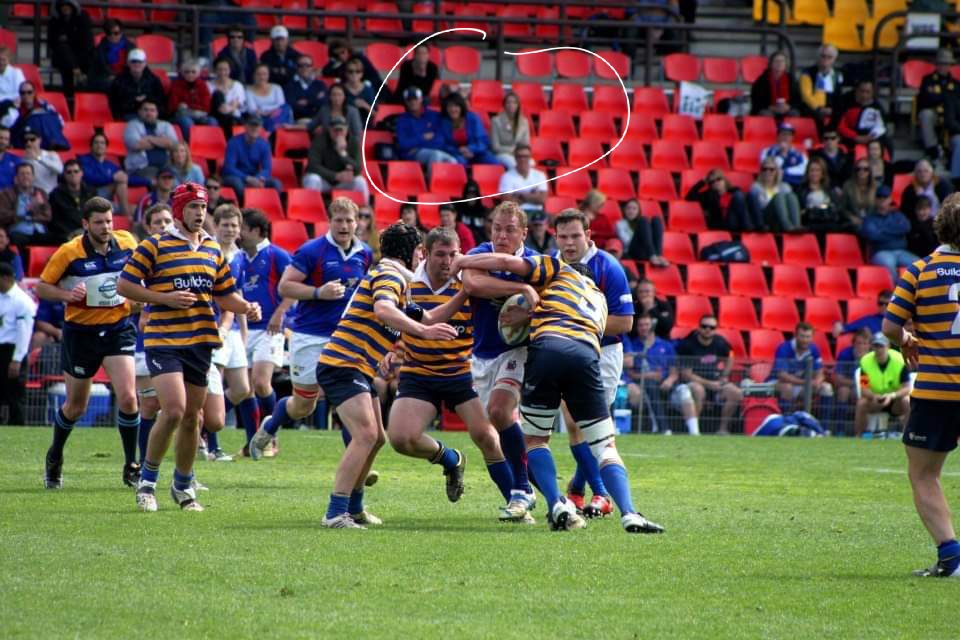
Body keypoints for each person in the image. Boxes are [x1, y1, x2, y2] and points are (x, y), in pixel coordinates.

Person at [452, 246, 665, 534]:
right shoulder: (600, 300)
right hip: (587, 356)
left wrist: (463, 260)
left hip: (548, 350)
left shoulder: (558, 270)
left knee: (536, 440)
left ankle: (557, 504)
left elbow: (506, 261)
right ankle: (629, 512)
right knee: (605, 446)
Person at [118, 182, 261, 512]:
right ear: (180, 210)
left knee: (194, 419)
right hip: (164, 340)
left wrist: (247, 307)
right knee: (175, 409)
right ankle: (147, 482)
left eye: (203, 207)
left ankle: (183, 486)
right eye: (193, 207)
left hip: (200, 341)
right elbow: (125, 285)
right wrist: (163, 298)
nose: (200, 213)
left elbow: (225, 294)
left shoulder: (212, 249)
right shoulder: (154, 246)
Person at [308, 222, 457, 528]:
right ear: (415, 252)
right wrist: (425, 333)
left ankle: (355, 507)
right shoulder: (389, 275)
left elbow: (429, 316)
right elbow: (384, 311)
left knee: (376, 439)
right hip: (343, 364)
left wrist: (466, 291)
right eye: (422, 252)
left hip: (358, 367)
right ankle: (335, 512)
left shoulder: (398, 279)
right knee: (364, 436)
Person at [381, 226, 520, 519]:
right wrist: (390, 349)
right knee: (400, 438)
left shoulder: (469, 283)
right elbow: (391, 320)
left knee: (488, 438)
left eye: (454, 254)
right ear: (425, 254)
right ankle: (450, 459)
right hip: (418, 373)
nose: (447, 261)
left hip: (460, 374)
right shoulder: (408, 284)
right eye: (441, 254)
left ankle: (516, 503)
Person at [250, 198, 373, 457]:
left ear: (357, 223)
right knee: (303, 405)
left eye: (349, 220)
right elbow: (285, 286)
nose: (344, 225)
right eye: (338, 220)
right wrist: (319, 292)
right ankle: (271, 424)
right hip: (309, 336)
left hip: (345, 338)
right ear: (329, 221)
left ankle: (358, 467)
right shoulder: (312, 251)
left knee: (347, 400)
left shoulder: (365, 253)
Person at [35, 196, 139, 489]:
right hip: (81, 334)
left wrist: (138, 297)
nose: (106, 227)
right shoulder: (69, 253)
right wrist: (67, 296)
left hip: (118, 328)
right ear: (85, 224)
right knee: (76, 406)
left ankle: (131, 465)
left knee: (129, 398)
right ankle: (55, 456)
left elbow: (142, 272)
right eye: (99, 222)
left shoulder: (127, 242)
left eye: (109, 221)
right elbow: (43, 287)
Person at [882, 193, 960, 577]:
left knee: (924, 474)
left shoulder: (920, 270)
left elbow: (890, 327)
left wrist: (907, 341)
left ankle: (951, 556)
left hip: (937, 391)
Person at [549, 209, 636, 516]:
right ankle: (594, 492)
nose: (569, 243)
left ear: (588, 236)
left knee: (592, 426)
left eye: (575, 236)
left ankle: (581, 489)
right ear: (555, 237)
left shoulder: (608, 267)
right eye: (563, 236)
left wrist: (580, 323)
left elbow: (624, 323)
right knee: (574, 423)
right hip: (566, 351)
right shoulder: (552, 264)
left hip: (604, 354)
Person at [459, 201, 539, 519]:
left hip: (517, 351)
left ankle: (521, 491)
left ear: (524, 233)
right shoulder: (481, 252)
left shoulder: (535, 262)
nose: (501, 235)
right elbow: (473, 283)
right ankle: (550, 494)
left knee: (499, 410)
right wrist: (520, 288)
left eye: (509, 229)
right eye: (496, 227)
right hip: (481, 356)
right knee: (485, 434)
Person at [236, 208, 292, 455]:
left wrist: (280, 313)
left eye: (242, 228)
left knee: (260, 382)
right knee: (245, 388)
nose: (238, 232)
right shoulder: (238, 257)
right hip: (243, 329)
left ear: (256, 231)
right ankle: (252, 443)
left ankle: (271, 437)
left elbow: (294, 286)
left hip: (270, 327)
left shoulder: (277, 255)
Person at [203, 204, 250, 462]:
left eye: (234, 225)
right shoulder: (208, 251)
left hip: (232, 328)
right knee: (215, 385)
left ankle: (201, 427)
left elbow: (238, 295)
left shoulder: (240, 256)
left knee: (242, 387)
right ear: (216, 226)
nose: (230, 229)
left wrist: (242, 331)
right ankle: (213, 446)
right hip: (213, 325)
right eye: (225, 225)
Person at [131, 203, 172, 465]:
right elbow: (126, 294)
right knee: (149, 405)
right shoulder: (141, 256)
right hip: (144, 343)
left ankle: (186, 471)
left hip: (177, 340)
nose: (164, 226)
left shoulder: (181, 254)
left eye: (168, 220)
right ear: (148, 227)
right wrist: (143, 306)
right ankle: (143, 465)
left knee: (187, 410)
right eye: (158, 222)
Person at [676, 314, 743, 434]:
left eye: (711, 327)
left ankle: (723, 429)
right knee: (698, 390)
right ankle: (694, 431)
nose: (708, 329)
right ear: (699, 328)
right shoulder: (688, 345)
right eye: (704, 326)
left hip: (715, 382)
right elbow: (686, 374)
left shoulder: (720, 342)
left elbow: (730, 356)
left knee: (735, 393)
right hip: (694, 382)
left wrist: (724, 375)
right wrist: (710, 384)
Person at [624, 312, 688, 434]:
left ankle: (694, 431)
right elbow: (631, 373)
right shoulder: (633, 345)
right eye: (641, 325)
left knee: (685, 391)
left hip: (667, 384)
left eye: (647, 324)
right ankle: (663, 428)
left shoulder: (666, 345)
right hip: (644, 384)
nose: (644, 328)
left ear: (652, 326)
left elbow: (674, 371)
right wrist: (649, 376)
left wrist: (669, 380)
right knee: (650, 386)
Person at [853, 331, 910, 437]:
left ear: (888, 346)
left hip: (895, 401)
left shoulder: (900, 360)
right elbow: (864, 388)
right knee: (861, 403)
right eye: (875, 346)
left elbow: (907, 388)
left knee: (907, 400)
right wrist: (874, 396)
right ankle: (859, 435)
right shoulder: (865, 362)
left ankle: (907, 435)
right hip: (875, 400)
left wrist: (891, 396)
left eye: (881, 346)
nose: (878, 349)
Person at [303, 115, 369, 202]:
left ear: (346, 130)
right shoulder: (319, 140)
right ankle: (310, 209)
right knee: (313, 179)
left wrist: (342, 154)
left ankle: (364, 210)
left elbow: (358, 168)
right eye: (335, 130)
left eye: (341, 130)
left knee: (360, 181)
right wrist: (335, 176)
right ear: (329, 130)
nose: (338, 133)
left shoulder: (353, 142)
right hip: (324, 180)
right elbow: (313, 166)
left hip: (342, 182)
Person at [770, 322, 830, 412]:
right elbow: (782, 375)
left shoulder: (814, 349)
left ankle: (824, 424)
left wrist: (818, 381)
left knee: (826, 388)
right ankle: (787, 421)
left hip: (801, 384)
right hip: (777, 382)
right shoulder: (784, 348)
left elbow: (820, 371)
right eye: (802, 336)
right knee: (787, 388)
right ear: (796, 336)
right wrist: (806, 382)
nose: (805, 340)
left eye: (808, 337)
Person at [0, 261, 34, 423]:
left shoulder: (22, 301)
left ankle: (18, 426)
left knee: (15, 395)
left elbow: (24, 332)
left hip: (11, 350)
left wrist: (17, 359)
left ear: (6, 278)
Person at [861, 185, 918, 280]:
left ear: (890, 199)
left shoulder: (897, 215)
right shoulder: (869, 218)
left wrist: (882, 230)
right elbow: (873, 235)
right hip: (880, 253)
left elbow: (906, 228)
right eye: (879, 197)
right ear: (875, 200)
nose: (882, 200)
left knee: (919, 264)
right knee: (889, 264)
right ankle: (896, 293)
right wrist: (896, 233)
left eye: (885, 197)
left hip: (900, 252)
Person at [222, 115, 280, 201]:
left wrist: (258, 178)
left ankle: (270, 207)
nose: (254, 128)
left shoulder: (264, 144)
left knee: (276, 184)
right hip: (237, 176)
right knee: (237, 184)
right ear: (246, 126)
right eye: (252, 125)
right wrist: (247, 178)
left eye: (257, 126)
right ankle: (244, 208)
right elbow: (229, 168)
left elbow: (267, 168)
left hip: (254, 176)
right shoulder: (233, 142)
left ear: (260, 128)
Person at [396, 86, 458, 168]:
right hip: (412, 154)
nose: (412, 102)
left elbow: (440, 138)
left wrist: (418, 143)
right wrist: (423, 138)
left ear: (421, 99)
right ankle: (432, 180)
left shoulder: (433, 115)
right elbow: (403, 143)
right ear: (406, 102)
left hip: (432, 149)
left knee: (453, 161)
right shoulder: (402, 120)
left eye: (415, 99)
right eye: (409, 100)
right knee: (436, 155)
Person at [123, 100, 178, 187]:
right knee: (158, 184)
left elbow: (173, 145)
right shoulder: (132, 125)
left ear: (157, 112)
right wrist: (162, 141)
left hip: (166, 166)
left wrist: (149, 138)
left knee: (177, 185)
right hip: (143, 168)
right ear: (139, 112)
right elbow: (136, 145)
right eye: (146, 110)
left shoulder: (166, 125)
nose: (149, 113)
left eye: (152, 110)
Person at [917, 49, 958, 163]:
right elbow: (925, 100)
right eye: (941, 63)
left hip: (951, 116)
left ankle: (949, 152)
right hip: (934, 114)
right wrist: (946, 98)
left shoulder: (956, 84)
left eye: (946, 64)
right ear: (936, 64)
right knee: (926, 114)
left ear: (950, 65)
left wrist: (941, 98)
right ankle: (933, 149)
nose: (943, 66)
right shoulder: (927, 80)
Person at [686, 168, 760, 231]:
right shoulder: (709, 195)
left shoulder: (734, 191)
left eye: (718, 179)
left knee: (748, 195)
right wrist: (702, 181)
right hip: (722, 224)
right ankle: (749, 227)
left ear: (724, 180)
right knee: (739, 195)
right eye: (712, 182)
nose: (716, 183)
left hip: (737, 221)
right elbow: (689, 197)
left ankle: (754, 226)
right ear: (710, 185)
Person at [0, 162, 52, 250]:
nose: (25, 177)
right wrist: (26, 210)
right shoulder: (6, 194)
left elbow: (47, 216)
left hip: (39, 232)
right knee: (16, 239)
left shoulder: (40, 193)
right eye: (22, 174)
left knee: (59, 239)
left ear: (33, 177)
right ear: (16, 178)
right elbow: (3, 215)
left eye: (28, 174)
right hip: (18, 232)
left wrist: (30, 217)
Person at [4, 81, 69, 151]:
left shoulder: (44, 105)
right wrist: (14, 108)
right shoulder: (15, 108)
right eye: (23, 93)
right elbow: (9, 125)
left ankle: (53, 143)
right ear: (19, 94)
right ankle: (53, 143)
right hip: (25, 134)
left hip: (41, 132)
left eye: (29, 92)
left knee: (46, 118)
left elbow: (60, 121)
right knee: (36, 119)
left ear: (34, 93)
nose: (26, 95)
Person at [47, 0, 94, 96]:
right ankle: (69, 99)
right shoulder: (55, 20)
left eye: (68, 5)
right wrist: (72, 38)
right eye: (62, 5)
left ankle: (83, 97)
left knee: (86, 61)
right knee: (64, 52)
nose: (65, 7)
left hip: (81, 54)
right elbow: (53, 42)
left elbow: (86, 40)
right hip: (62, 57)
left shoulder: (82, 17)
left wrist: (67, 38)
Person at [440, 92, 498, 166]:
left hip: (476, 151)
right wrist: (460, 151)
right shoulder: (444, 122)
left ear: (461, 107)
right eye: (450, 106)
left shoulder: (473, 118)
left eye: (456, 106)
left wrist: (470, 149)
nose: (453, 109)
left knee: (494, 163)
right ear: (446, 108)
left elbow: (483, 141)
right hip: (456, 153)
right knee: (461, 163)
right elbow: (443, 144)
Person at [108, 48, 166, 122]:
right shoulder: (119, 81)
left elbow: (160, 101)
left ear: (145, 63)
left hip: (151, 113)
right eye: (133, 61)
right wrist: (134, 101)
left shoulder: (153, 80)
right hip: (129, 114)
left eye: (140, 61)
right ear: (128, 63)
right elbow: (115, 104)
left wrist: (146, 99)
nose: (136, 64)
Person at [78, 132, 129, 214]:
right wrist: (112, 178)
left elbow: (126, 178)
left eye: (102, 143)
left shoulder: (110, 165)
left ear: (106, 147)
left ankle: (126, 213)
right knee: (120, 183)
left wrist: (148, 181)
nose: (99, 145)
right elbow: (89, 178)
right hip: (90, 197)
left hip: (105, 200)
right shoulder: (83, 160)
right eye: (96, 142)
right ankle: (127, 216)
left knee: (135, 208)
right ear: (91, 146)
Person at [167, 59, 215, 142]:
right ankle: (189, 147)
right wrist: (191, 108)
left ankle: (211, 145)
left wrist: (188, 106)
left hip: (200, 115)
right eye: (187, 72)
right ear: (182, 73)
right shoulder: (176, 85)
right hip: (180, 115)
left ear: (198, 73)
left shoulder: (202, 85)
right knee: (187, 122)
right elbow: (172, 106)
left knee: (212, 121)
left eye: (193, 72)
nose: (190, 74)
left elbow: (207, 107)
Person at [49, 159, 96, 243]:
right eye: (69, 172)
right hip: (66, 235)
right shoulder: (56, 194)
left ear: (81, 173)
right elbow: (56, 221)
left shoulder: (90, 192)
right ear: (64, 175)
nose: (73, 174)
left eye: (76, 171)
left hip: (87, 232)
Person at [748, 157, 801, 232]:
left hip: (781, 219)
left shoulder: (784, 186)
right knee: (778, 197)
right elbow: (759, 206)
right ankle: (788, 227)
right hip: (766, 218)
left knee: (791, 196)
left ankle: (796, 226)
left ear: (776, 171)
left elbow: (789, 204)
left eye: (771, 169)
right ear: (761, 172)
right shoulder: (756, 187)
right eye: (764, 169)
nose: (768, 172)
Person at [836, 80, 890, 152]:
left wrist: (870, 137)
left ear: (872, 93)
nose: (864, 95)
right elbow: (840, 126)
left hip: (870, 139)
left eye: (868, 92)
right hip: (850, 138)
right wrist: (855, 137)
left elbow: (881, 127)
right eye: (862, 91)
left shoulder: (877, 107)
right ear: (856, 91)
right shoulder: (845, 103)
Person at [799, 44, 843, 129]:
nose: (825, 59)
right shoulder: (807, 73)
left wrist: (832, 109)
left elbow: (838, 95)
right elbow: (806, 96)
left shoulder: (837, 75)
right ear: (818, 57)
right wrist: (819, 108)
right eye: (823, 56)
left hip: (830, 108)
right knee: (817, 115)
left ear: (834, 59)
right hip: (812, 108)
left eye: (829, 57)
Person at [87, 19, 135, 92]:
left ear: (121, 33)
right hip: (105, 79)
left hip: (124, 78)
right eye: (109, 33)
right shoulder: (99, 50)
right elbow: (96, 73)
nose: (112, 36)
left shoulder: (131, 48)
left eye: (116, 33)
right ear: (106, 34)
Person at [497, 144, 547, 213]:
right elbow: (507, 202)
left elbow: (542, 199)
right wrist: (533, 195)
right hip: (515, 213)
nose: (522, 159)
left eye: (525, 156)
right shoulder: (506, 176)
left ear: (530, 157)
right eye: (519, 156)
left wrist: (519, 195)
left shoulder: (540, 175)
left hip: (536, 214)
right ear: (515, 158)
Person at [617, 197, 668, 265]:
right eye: (628, 208)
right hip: (633, 252)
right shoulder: (620, 224)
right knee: (643, 220)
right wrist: (641, 233)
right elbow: (627, 242)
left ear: (638, 211)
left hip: (646, 251)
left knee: (656, 220)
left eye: (634, 209)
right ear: (624, 210)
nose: (631, 211)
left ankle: (658, 255)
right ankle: (652, 256)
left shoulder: (642, 225)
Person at [749, 50, 801, 117]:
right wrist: (770, 107)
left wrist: (788, 106)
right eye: (776, 61)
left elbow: (797, 99)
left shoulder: (790, 79)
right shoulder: (763, 79)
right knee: (766, 114)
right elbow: (756, 100)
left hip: (786, 109)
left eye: (782, 61)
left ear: (786, 64)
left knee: (794, 113)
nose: (779, 63)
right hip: (768, 109)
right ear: (771, 63)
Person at [796, 156, 841, 232]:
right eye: (812, 170)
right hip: (810, 223)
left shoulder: (830, 190)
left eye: (817, 170)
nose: (814, 173)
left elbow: (836, 208)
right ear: (807, 172)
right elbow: (800, 212)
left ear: (822, 173)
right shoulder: (801, 190)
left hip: (829, 222)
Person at [245, 63, 292, 133]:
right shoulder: (248, 91)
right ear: (254, 75)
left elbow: (281, 105)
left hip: (277, 115)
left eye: (264, 74)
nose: (262, 77)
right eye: (258, 74)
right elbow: (252, 109)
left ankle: (270, 131)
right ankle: (272, 130)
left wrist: (264, 109)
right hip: (261, 118)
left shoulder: (276, 87)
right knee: (260, 117)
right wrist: (270, 111)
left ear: (268, 75)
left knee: (286, 107)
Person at [490, 91, 530, 170]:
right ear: (504, 105)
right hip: (502, 154)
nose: (511, 105)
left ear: (518, 105)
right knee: (514, 164)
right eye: (508, 102)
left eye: (514, 103)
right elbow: (495, 146)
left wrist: (519, 152)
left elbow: (526, 144)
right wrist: (512, 150)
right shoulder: (496, 121)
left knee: (531, 163)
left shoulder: (524, 122)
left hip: (519, 154)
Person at [760, 123, 808, 188]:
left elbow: (804, 170)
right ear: (778, 136)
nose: (785, 137)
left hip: (795, 185)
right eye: (783, 134)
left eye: (789, 135)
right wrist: (782, 154)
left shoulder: (800, 155)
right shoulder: (767, 151)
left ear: (792, 137)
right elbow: (768, 168)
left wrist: (785, 171)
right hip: (773, 185)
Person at [208, 57, 246, 137]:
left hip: (232, 116)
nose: (222, 72)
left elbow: (238, 103)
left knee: (231, 120)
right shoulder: (208, 85)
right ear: (215, 70)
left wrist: (229, 108)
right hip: (215, 115)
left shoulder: (237, 85)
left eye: (225, 69)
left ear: (230, 70)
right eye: (219, 69)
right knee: (218, 95)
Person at [284, 54, 327, 124]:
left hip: (320, 119)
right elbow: (294, 107)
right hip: (300, 120)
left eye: (307, 65)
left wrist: (307, 102)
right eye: (301, 66)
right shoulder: (290, 86)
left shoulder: (320, 85)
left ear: (312, 67)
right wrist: (315, 101)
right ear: (297, 68)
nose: (304, 68)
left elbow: (324, 102)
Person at [834, 326, 872, 406]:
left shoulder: (873, 357)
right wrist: (857, 383)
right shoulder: (845, 354)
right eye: (859, 343)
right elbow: (838, 379)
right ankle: (841, 418)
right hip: (850, 386)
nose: (861, 347)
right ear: (853, 343)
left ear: (869, 345)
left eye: (865, 343)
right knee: (843, 391)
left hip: (868, 387)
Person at [20, 128, 63, 194]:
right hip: (34, 195)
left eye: (32, 139)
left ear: (39, 140)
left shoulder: (51, 155)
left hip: (51, 194)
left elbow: (60, 170)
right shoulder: (23, 159)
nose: (28, 143)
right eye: (25, 140)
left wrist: (38, 158)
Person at [810, 129, 851, 196]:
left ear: (838, 139)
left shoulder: (846, 157)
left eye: (833, 138)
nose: (829, 141)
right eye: (826, 138)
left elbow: (849, 176)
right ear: (822, 140)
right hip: (823, 188)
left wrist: (843, 189)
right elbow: (816, 176)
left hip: (844, 190)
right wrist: (833, 187)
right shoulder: (815, 157)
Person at [839, 158, 876, 230]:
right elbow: (842, 208)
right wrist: (851, 217)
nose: (862, 171)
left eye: (865, 169)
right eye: (858, 169)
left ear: (870, 172)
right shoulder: (848, 185)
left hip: (871, 220)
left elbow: (878, 207)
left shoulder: (875, 187)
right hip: (854, 221)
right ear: (855, 171)